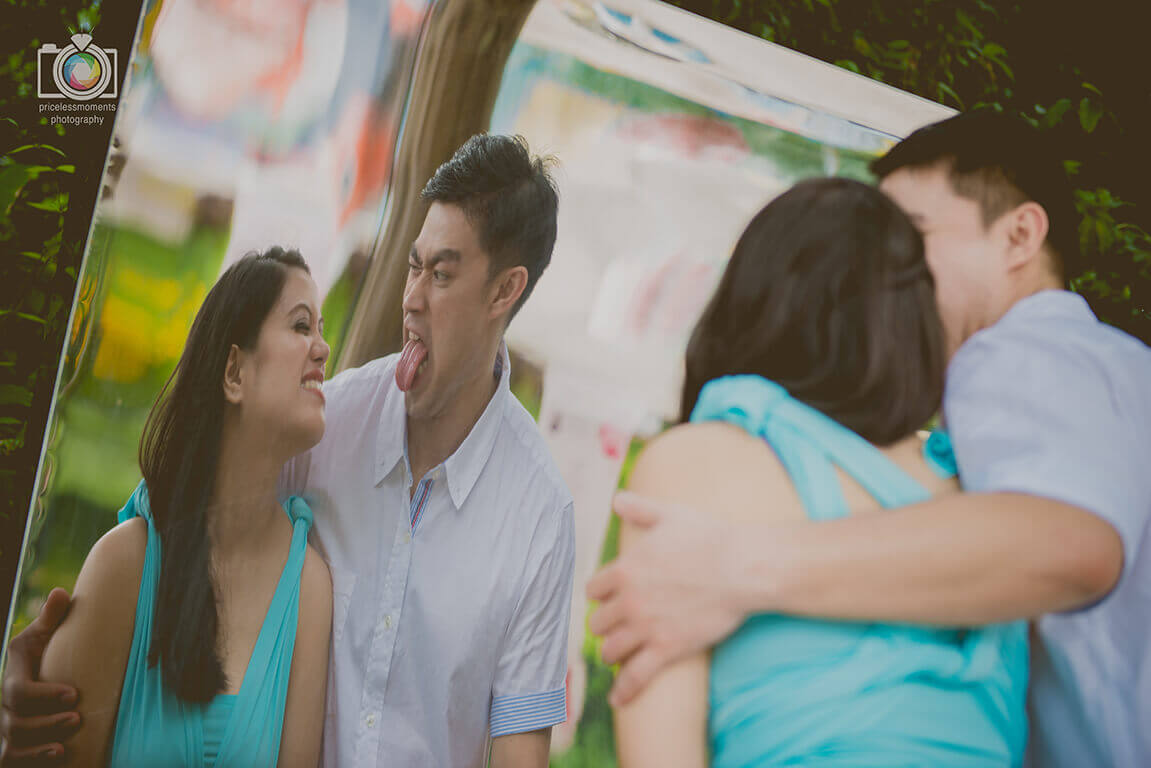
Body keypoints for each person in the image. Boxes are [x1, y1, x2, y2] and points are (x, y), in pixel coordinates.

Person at [589, 111, 1151, 767]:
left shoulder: (1011, 355)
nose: (890, 271)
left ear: (1019, 236)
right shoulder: (1086, 382)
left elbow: (1069, 546)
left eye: (909, 238)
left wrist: (736, 569)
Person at [0, 135, 575, 768]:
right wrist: (53, 650)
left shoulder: (540, 516)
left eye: (441, 275)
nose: (412, 296)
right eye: (414, 266)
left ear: (503, 291)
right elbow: (187, 519)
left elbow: (520, 753)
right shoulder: (325, 426)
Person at [612, 177, 1028, 766]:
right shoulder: (975, 485)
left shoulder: (695, 462)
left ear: (752, 298)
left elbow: (659, 752)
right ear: (911, 320)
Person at [4, 248, 333, 766]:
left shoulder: (309, 589)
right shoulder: (125, 564)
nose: (324, 348)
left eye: (321, 329)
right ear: (233, 372)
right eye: (300, 325)